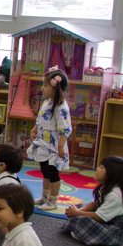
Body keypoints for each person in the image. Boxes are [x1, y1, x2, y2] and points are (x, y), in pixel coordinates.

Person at [28, 68, 72, 211]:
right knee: (45, 171)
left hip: (54, 146)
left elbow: (65, 129)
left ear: (55, 88)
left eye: (45, 85)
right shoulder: (47, 103)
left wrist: (60, 146)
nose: (42, 88)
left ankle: (53, 201)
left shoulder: (61, 107)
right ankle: (45, 197)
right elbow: (40, 119)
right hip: (44, 144)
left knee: (53, 173)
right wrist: (34, 130)